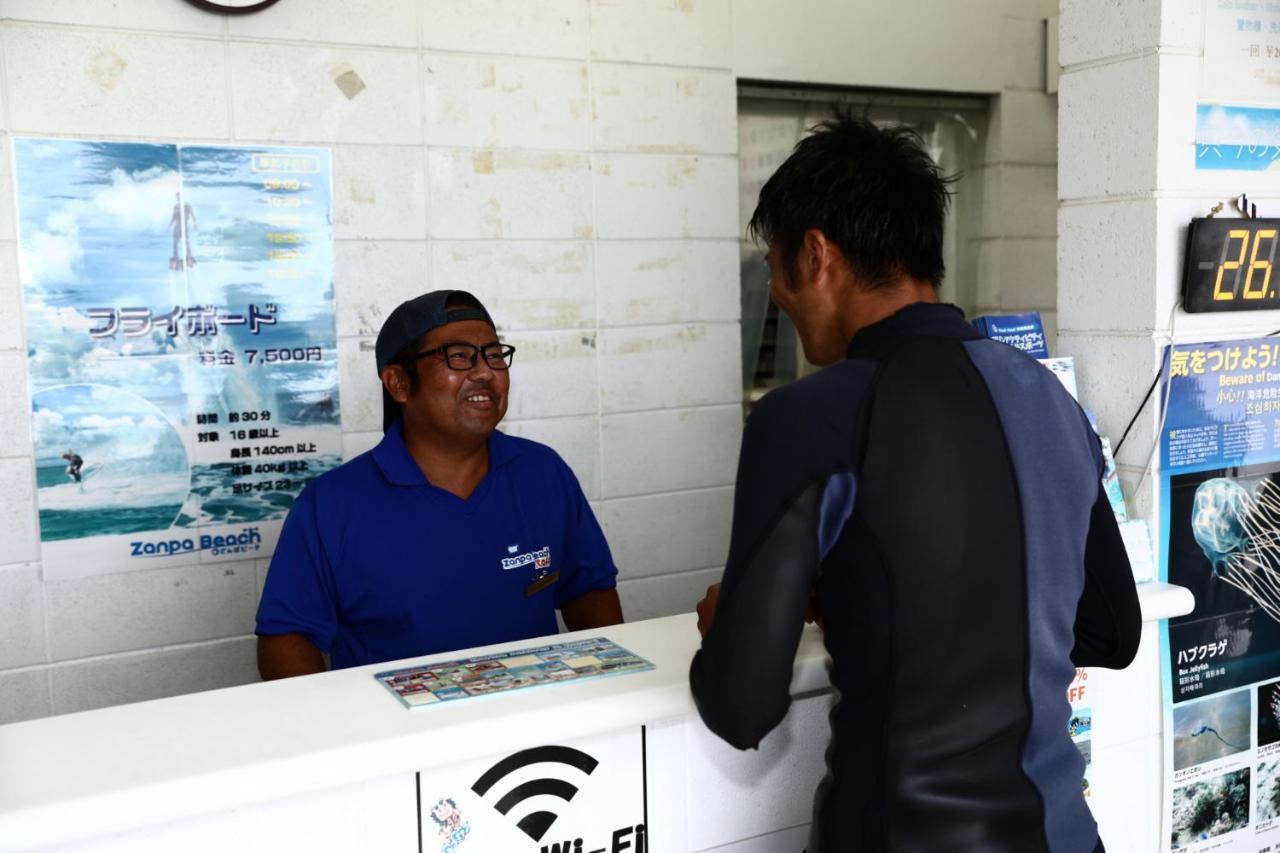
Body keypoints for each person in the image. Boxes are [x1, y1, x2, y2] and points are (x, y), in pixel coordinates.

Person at [688, 114, 1141, 852]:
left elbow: (741, 707)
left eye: (775, 271)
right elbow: (1110, 632)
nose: (779, 296)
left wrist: (724, 627)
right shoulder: (1051, 400)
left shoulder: (809, 416)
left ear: (815, 254)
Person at [256, 290, 623, 679]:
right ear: (398, 383)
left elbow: (589, 591)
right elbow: (286, 639)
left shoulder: (543, 472)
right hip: (399, 734)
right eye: (459, 356)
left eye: (494, 355)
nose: (484, 372)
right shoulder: (331, 505)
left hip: (530, 726)